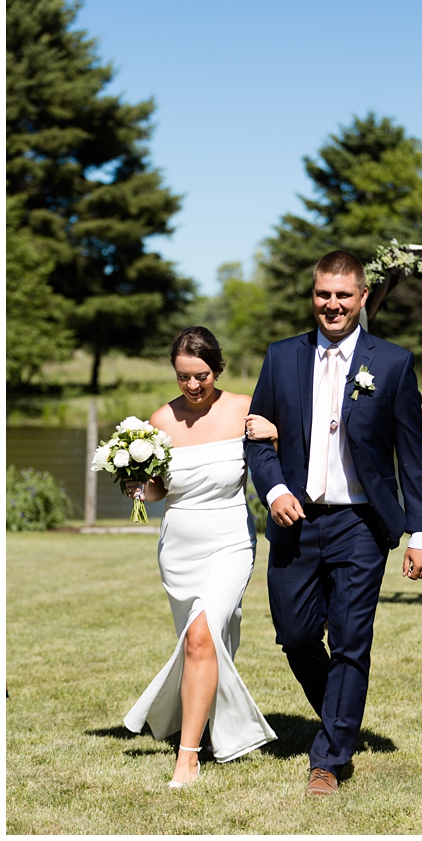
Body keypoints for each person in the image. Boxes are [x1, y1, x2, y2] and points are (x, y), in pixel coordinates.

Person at [246, 249, 422, 797]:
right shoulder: (281, 358)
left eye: (343, 295)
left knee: (352, 639)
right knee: (296, 633)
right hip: (295, 519)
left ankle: (328, 759)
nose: (332, 305)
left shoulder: (394, 363)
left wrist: (421, 533)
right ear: (313, 295)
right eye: (322, 295)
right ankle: (342, 713)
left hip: (360, 522)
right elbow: (257, 436)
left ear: (361, 298)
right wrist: (276, 488)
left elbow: (414, 455)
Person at [123, 326, 280, 787]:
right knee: (208, 643)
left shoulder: (244, 408)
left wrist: (275, 433)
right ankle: (207, 725)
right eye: (183, 377)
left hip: (230, 539)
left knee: (202, 637)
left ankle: (187, 757)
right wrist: (138, 487)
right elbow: (157, 489)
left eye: (202, 376)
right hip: (179, 547)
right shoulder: (159, 420)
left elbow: (281, 458)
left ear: (217, 368)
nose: (193, 386)